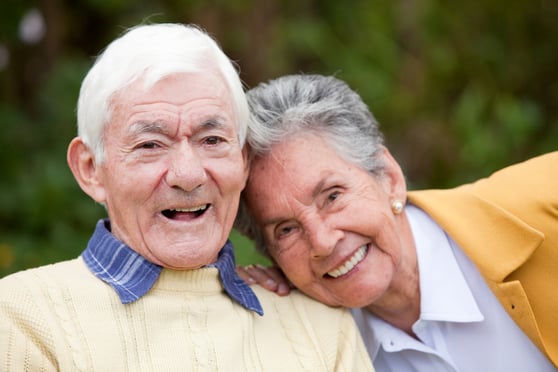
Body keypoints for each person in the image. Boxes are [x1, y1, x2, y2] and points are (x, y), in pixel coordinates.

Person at [0, 26, 374, 371]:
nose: (188, 175)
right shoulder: (23, 318)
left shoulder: (318, 323)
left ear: (243, 159)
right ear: (90, 168)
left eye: (211, 140)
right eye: (150, 144)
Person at [235, 73, 558, 371]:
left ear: (389, 177)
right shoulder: (318, 352)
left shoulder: (548, 199)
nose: (322, 241)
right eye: (286, 230)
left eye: (332, 196)